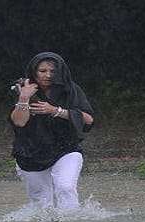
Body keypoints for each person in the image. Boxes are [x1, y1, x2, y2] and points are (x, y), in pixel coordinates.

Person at [9, 52, 94, 210]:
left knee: (65, 187)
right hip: (30, 153)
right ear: (34, 72)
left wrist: (56, 111)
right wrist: (24, 98)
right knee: (41, 204)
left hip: (66, 149)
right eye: (42, 71)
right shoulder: (23, 89)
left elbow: (88, 120)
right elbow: (19, 122)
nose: (48, 75)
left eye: (53, 71)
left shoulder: (71, 90)